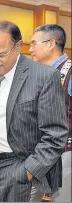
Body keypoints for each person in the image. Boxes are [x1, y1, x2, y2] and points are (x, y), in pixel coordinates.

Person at [0, 21, 68, 202]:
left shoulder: (43, 76)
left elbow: (55, 134)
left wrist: (27, 171)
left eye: (1, 55)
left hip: (15, 169)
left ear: (18, 47)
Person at [29, 24, 72, 202]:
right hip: (37, 153)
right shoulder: (36, 74)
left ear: (50, 44)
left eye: (33, 43)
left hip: (65, 152)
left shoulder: (69, 71)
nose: (30, 49)